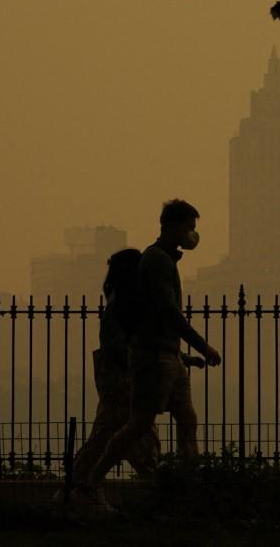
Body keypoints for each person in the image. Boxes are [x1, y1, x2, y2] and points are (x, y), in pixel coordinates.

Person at [87, 199, 221, 491]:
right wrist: (203, 347)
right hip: (154, 359)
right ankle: (92, 481)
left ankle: (190, 484)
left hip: (168, 357)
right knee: (138, 424)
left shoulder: (165, 260)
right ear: (172, 225)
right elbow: (167, 312)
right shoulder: (157, 260)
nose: (192, 233)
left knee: (187, 417)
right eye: (189, 227)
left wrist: (183, 357)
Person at [57, 248, 206, 506]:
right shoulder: (124, 307)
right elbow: (136, 344)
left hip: (116, 383)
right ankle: (161, 493)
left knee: (105, 436)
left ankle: (77, 488)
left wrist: (180, 357)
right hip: (127, 381)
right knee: (139, 438)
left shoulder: (122, 304)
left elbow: (145, 340)